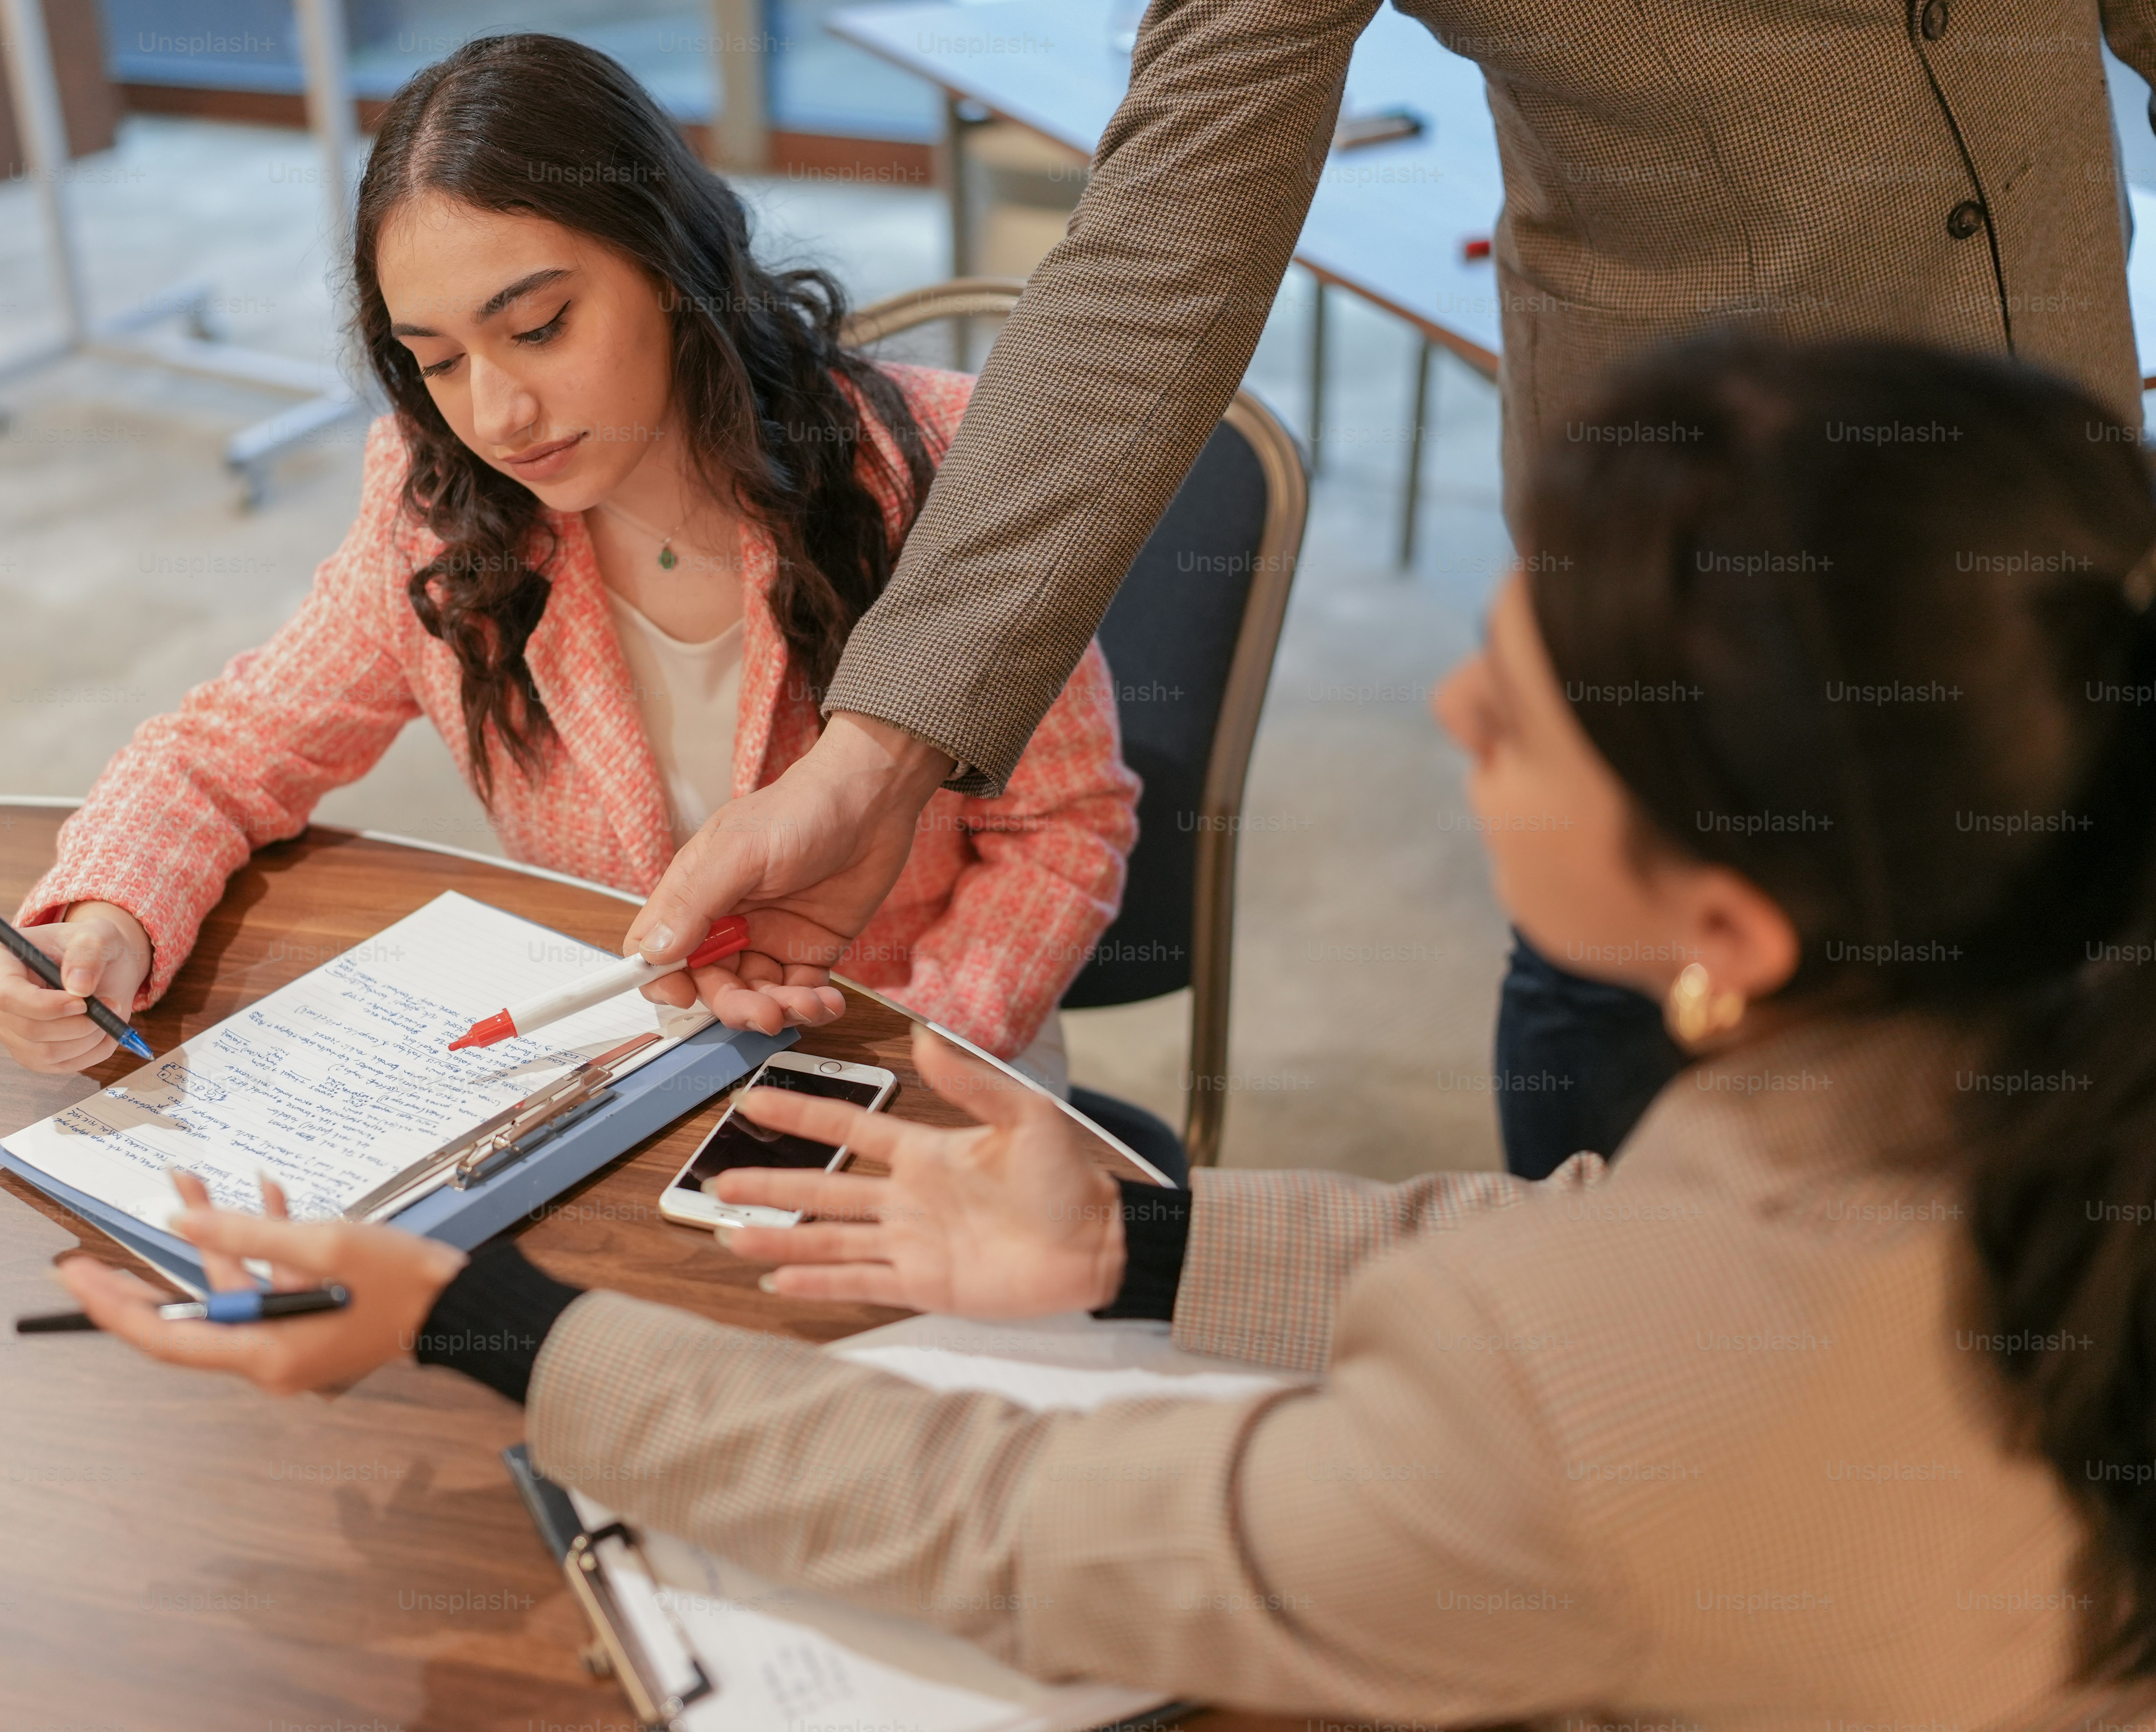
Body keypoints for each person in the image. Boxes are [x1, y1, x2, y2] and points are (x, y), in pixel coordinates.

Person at [53, 336, 2156, 1723]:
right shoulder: (2022, 1046)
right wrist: (1144, 1249)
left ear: (1723, 923)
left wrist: (480, 1317)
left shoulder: (917, 473)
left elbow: (1034, 1526)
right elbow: (1599, 1244)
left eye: (1508, 709)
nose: (1439, 707)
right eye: (434, 350)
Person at [618, 0, 2156, 1179]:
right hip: (1707, 591)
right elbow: (1167, 241)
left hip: (2079, 525)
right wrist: (882, 745)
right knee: (1636, 1082)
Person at [0, 36, 1139, 1094]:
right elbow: (226, 754)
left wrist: (926, 1050)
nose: (500, 412)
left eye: (537, 328)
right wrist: (109, 912)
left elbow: (1061, 831)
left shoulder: (937, 467)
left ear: (671, 264)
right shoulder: (435, 508)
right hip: (630, 1056)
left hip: (917, 1045)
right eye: (436, 361)